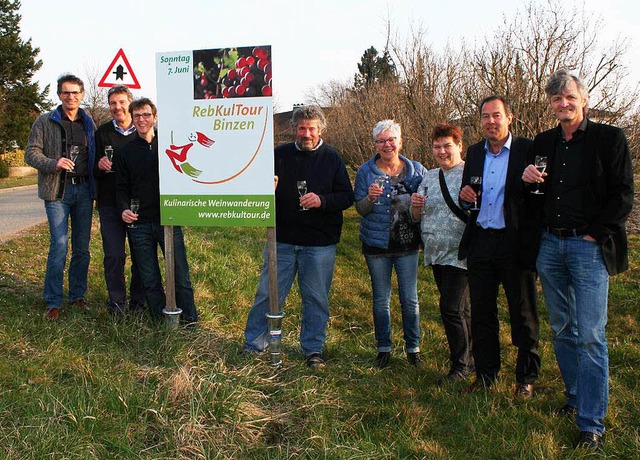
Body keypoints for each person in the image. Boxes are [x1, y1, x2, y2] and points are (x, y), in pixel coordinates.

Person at [522, 70, 633, 450]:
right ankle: (575, 397)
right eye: (556, 100)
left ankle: (591, 422)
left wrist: (595, 233)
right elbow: (536, 194)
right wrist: (528, 179)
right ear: (550, 105)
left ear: (582, 99)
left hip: (588, 248)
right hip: (550, 246)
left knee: (589, 334)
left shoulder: (609, 138)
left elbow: (623, 195)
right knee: (561, 328)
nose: (563, 104)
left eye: (568, 97)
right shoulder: (544, 141)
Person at [243, 106, 354, 368]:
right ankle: (254, 344)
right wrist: (264, 189)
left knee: (315, 298)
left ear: (320, 130)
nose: (306, 134)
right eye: (302, 128)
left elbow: (347, 197)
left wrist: (322, 200)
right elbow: (256, 184)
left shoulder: (332, 158)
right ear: (294, 128)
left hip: (319, 243)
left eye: (312, 129)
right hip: (281, 239)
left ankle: (313, 350)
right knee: (268, 294)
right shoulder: (279, 154)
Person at [458, 95, 540, 398]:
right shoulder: (475, 152)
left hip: (514, 242)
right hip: (481, 240)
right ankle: (486, 374)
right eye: (485, 117)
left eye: (496, 115)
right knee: (481, 312)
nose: (491, 122)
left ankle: (525, 377)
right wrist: (465, 197)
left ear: (510, 118)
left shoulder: (527, 149)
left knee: (522, 312)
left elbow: (538, 197)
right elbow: (468, 197)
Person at [115, 98, 198, 326]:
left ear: (155, 117)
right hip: (139, 223)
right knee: (149, 277)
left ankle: (189, 319)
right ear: (132, 118)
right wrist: (123, 209)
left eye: (146, 115)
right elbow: (120, 187)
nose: (142, 119)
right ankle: (161, 319)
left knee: (180, 273)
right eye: (138, 115)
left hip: (169, 220)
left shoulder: (170, 145)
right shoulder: (125, 152)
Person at [25, 74, 96, 321]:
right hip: (58, 192)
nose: (71, 96)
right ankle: (53, 301)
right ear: (59, 95)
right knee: (59, 246)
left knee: (82, 248)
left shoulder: (89, 122)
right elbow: (31, 153)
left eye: (75, 92)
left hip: (85, 191)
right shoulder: (45, 121)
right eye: (66, 92)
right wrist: (53, 163)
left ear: (82, 94)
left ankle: (77, 297)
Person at [354, 119, 426, 368]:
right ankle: (383, 348)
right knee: (381, 299)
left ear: (400, 142)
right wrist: (370, 199)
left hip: (407, 245)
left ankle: (413, 348)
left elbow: (426, 206)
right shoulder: (366, 171)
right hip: (377, 247)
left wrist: (420, 205)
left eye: (391, 140)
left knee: (410, 299)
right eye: (381, 141)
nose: (387, 145)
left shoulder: (416, 170)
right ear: (375, 144)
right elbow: (360, 209)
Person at [411, 123, 472, 382]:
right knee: (462, 310)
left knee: (450, 309)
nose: (442, 151)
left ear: (459, 146)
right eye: (437, 146)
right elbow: (417, 216)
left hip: (461, 253)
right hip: (436, 253)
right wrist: (415, 206)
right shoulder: (430, 176)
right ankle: (473, 358)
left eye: (447, 145)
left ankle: (460, 366)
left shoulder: (471, 172)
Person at [94, 85, 145, 315]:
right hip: (109, 203)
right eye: (113, 103)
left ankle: (137, 303)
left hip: (136, 204)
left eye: (122, 102)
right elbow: (91, 166)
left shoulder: (143, 131)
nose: (117, 107)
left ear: (130, 103)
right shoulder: (102, 132)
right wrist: (99, 165)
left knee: (139, 255)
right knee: (114, 255)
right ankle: (116, 303)